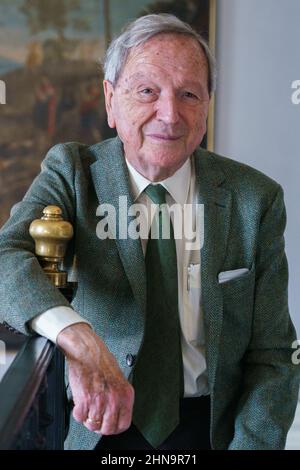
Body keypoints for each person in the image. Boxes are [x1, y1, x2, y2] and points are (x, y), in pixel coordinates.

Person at [0, 14, 299, 451]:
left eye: (189, 94)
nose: (170, 114)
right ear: (110, 99)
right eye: (147, 91)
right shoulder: (73, 172)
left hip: (211, 430)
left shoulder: (255, 199)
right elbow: (6, 254)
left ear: (207, 104)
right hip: (96, 429)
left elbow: (274, 356)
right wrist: (78, 337)